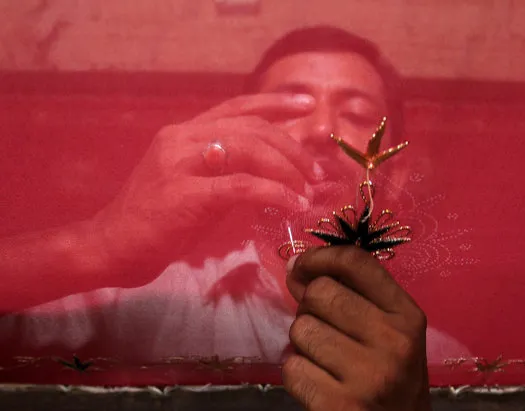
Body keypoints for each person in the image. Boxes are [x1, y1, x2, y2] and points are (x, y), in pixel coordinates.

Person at [0, 26, 469, 410]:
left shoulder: (445, 363)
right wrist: (100, 244)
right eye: (290, 109)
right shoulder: (139, 306)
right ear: (243, 143)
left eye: (358, 113)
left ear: (398, 174)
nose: (322, 131)